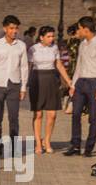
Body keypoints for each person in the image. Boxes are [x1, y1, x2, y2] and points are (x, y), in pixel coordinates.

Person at [65, 15, 96, 157]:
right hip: (81, 83)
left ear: (86, 29)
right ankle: (75, 145)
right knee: (76, 114)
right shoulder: (82, 44)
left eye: (79, 28)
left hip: (94, 83)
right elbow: (79, 65)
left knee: (93, 117)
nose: (78, 31)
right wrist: (73, 84)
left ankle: (89, 148)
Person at [29, 25, 72, 154]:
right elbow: (28, 66)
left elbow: (58, 64)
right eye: (49, 36)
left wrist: (68, 80)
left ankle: (47, 141)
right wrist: (23, 84)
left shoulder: (54, 48)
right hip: (37, 80)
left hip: (52, 80)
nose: (52, 38)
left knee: (52, 114)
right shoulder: (33, 49)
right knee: (38, 114)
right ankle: (38, 142)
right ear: (41, 37)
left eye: (52, 36)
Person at [0, 14, 28, 140]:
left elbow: (24, 67)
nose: (14, 31)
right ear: (5, 29)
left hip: (14, 85)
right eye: (11, 28)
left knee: (14, 117)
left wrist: (23, 87)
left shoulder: (21, 45)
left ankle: (14, 145)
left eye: (16, 28)